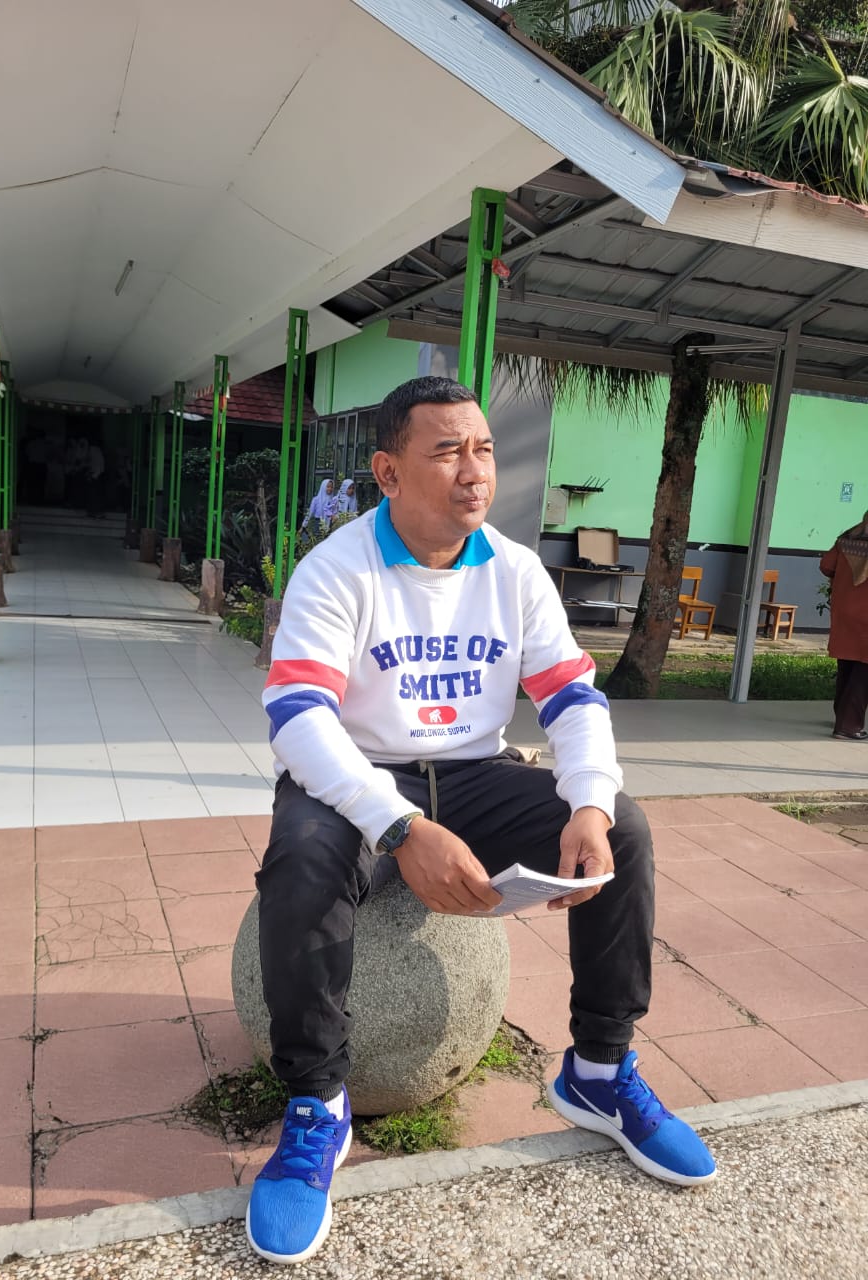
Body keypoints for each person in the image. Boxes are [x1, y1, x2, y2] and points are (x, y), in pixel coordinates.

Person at [247, 377, 715, 1266]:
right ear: (389, 471)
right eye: (448, 452)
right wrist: (397, 828)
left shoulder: (513, 570)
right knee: (303, 861)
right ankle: (316, 1103)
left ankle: (599, 1071)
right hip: (359, 770)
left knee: (625, 830)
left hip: (473, 771)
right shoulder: (338, 569)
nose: (475, 472)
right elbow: (299, 717)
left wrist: (588, 801)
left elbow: (571, 697)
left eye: (485, 450)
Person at [820, 508, 868, 740]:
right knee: (864, 671)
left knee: (847, 664)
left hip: (844, 611)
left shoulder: (847, 538)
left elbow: (826, 566)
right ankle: (848, 726)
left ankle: (841, 716)